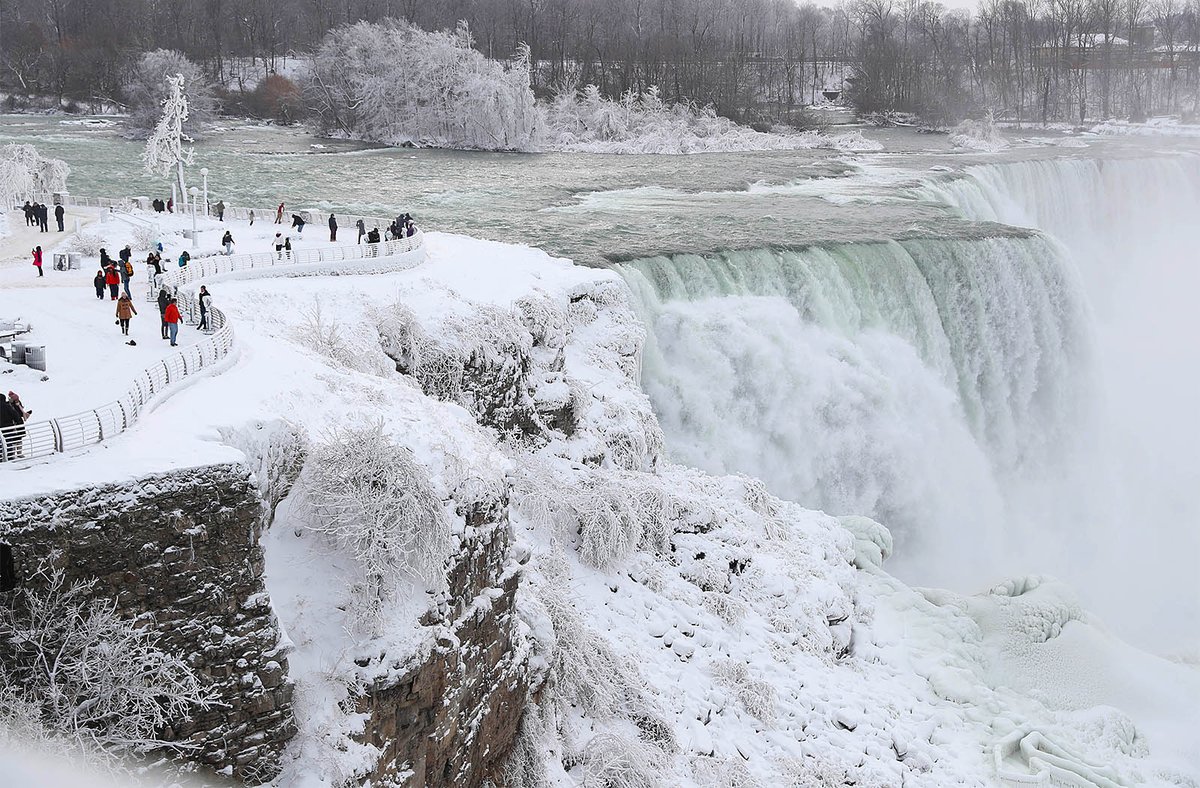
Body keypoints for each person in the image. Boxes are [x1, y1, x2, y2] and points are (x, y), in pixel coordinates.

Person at [1, 391, 32, 461]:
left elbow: (20, 414)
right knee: (14, 439)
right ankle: (14, 454)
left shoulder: (17, 405)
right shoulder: (8, 405)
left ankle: (18, 453)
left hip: (18, 424)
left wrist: (25, 414)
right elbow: (16, 415)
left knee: (18, 439)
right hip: (14, 424)